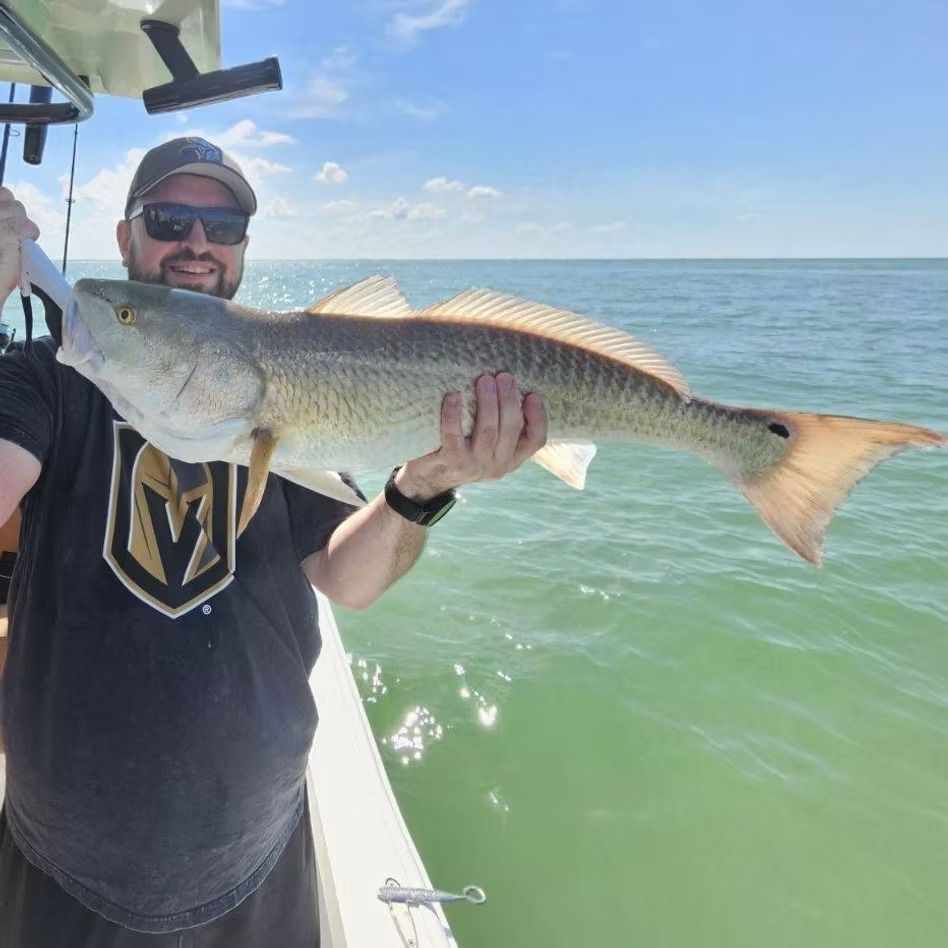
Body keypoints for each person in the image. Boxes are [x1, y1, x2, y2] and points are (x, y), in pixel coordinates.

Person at [0, 137, 548, 947]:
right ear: (125, 238)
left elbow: (349, 579)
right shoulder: (50, 377)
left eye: (222, 226)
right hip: (65, 863)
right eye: (170, 218)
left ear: (245, 249)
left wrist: (426, 483)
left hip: (258, 855)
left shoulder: (292, 377)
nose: (197, 242)